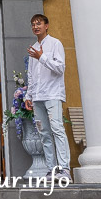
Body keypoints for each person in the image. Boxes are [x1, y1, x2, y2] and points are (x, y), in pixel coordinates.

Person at [24, 13, 70, 183]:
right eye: (33, 24)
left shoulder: (55, 44)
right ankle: (52, 169)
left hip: (53, 95)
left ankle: (64, 169)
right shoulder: (33, 48)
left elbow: (60, 69)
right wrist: (28, 95)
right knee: (44, 133)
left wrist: (41, 57)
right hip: (37, 97)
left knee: (57, 129)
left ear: (46, 25)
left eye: (39, 23)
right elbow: (31, 75)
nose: (36, 26)